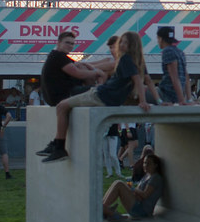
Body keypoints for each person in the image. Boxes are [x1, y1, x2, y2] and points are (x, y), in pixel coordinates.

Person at [41, 31, 153, 163]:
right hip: (96, 93)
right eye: (114, 46)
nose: (114, 49)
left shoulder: (125, 60)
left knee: (98, 67)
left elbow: (141, 81)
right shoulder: (132, 61)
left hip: (102, 94)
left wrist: (93, 71)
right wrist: (95, 71)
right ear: (58, 43)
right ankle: (57, 145)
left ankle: (58, 145)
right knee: (98, 67)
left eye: (116, 46)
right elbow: (142, 80)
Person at [39, 30, 103, 106]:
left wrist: (93, 68)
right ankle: (96, 90)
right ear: (58, 43)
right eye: (67, 42)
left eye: (72, 44)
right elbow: (78, 74)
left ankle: (95, 90)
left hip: (60, 95)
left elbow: (79, 67)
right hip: (63, 96)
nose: (70, 46)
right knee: (101, 89)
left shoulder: (57, 56)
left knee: (84, 67)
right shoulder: (58, 56)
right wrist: (96, 72)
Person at [102, 153, 164, 221]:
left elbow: (145, 195)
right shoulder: (147, 176)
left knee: (119, 184)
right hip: (137, 203)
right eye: (144, 163)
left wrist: (132, 188)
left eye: (148, 163)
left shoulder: (156, 178)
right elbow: (139, 192)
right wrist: (132, 190)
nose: (145, 165)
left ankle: (104, 209)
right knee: (117, 182)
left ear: (155, 165)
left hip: (142, 211)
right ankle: (104, 207)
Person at [156, 26, 191, 105]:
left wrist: (181, 100)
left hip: (167, 94)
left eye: (157, 38)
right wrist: (189, 99)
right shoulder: (180, 52)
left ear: (160, 39)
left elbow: (174, 78)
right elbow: (186, 76)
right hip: (177, 95)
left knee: (144, 90)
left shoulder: (167, 51)